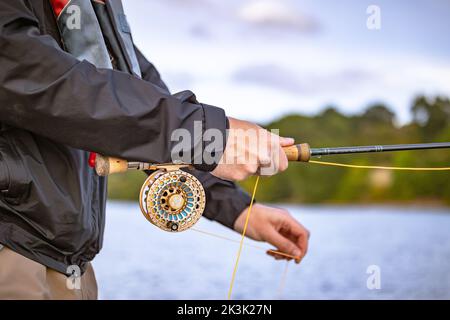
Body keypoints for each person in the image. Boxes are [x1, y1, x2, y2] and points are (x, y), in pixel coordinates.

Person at [0, 0, 309, 299]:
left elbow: (139, 111)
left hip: (71, 267)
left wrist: (240, 210)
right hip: (11, 251)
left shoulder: (95, 11)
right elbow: (36, 77)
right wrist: (205, 137)